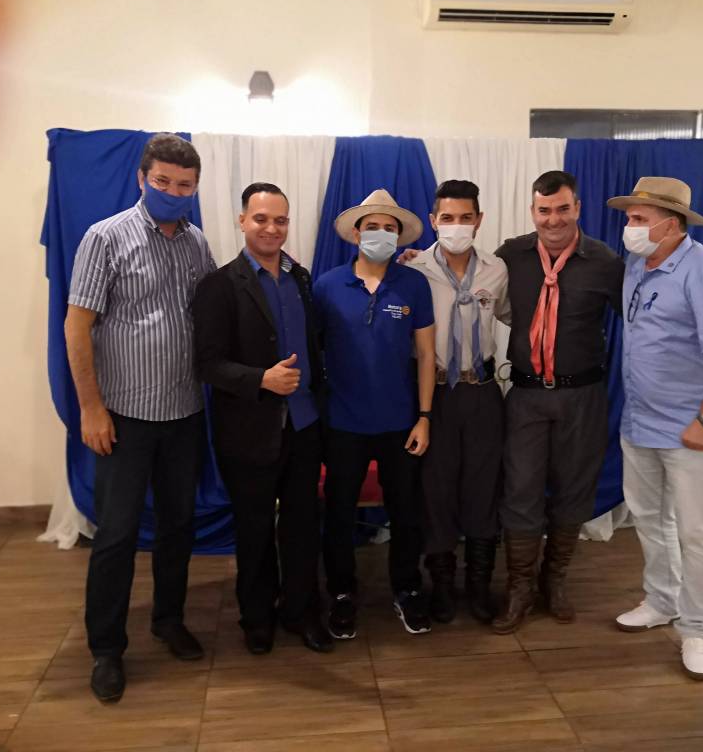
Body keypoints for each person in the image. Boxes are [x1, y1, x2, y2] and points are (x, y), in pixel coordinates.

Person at [65, 133, 215, 702]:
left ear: (194, 188)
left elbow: (208, 315)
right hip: (123, 419)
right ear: (142, 179)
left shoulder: (197, 243)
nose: (173, 192)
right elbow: (77, 326)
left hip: (184, 413)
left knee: (179, 526)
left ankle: (168, 619)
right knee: (117, 534)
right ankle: (106, 649)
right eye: (163, 182)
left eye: (184, 185)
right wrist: (90, 408)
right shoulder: (104, 237)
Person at [608, 176, 703, 681]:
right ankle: (662, 600)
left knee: (700, 534)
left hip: (694, 429)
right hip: (641, 421)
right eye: (629, 218)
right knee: (650, 519)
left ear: (672, 224)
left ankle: (698, 629)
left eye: (638, 219)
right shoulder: (637, 266)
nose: (629, 227)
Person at [193, 182, 332, 655]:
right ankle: (256, 617)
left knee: (302, 527)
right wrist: (261, 379)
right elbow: (207, 364)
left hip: (304, 425)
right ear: (242, 221)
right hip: (248, 430)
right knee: (253, 530)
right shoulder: (218, 286)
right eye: (261, 219)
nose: (271, 228)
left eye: (280, 220)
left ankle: (301, 612)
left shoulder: (302, 279)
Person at [491, 171, 624, 635]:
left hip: (582, 395)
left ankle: (555, 580)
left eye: (563, 209)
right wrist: (418, 262)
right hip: (526, 395)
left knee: (574, 489)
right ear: (533, 211)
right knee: (521, 490)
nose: (553, 219)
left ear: (577, 208)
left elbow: (642, 313)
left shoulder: (604, 261)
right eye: (544, 210)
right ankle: (520, 587)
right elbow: (467, 279)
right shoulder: (511, 255)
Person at [314, 189, 437, 638]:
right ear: (356, 234)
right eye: (372, 227)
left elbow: (426, 355)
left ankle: (407, 588)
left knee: (406, 513)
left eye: (389, 228)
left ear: (399, 236)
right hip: (343, 423)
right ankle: (341, 593)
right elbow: (313, 352)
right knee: (339, 513)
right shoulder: (327, 286)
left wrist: (424, 416)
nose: (380, 234)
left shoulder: (413, 285)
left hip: (401, 424)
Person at [405, 180, 509, 624]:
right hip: (435, 394)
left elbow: (512, 315)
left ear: (479, 220)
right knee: (437, 491)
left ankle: (479, 585)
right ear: (433, 221)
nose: (457, 226)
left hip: (482, 390)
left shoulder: (497, 270)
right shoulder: (413, 269)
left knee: (484, 489)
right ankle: (443, 584)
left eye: (466, 217)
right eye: (447, 218)